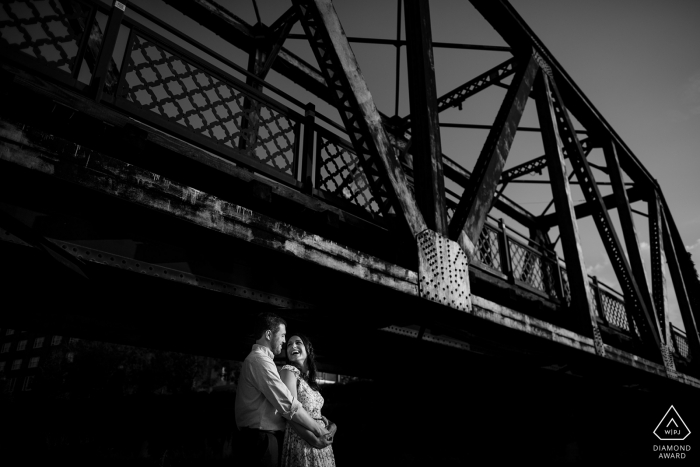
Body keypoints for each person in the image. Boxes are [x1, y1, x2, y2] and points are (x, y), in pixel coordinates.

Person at [235, 313, 332, 467]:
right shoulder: (259, 360)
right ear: (268, 334)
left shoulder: (263, 360)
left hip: (263, 439)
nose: (285, 341)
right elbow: (288, 405)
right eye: (283, 336)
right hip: (260, 440)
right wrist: (319, 431)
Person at [280, 333, 337, 467]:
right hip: (304, 440)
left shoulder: (308, 379)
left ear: (308, 349)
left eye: (298, 342)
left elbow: (314, 413)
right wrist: (315, 441)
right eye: (289, 344)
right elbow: (289, 412)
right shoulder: (288, 371)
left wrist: (332, 426)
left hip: (322, 440)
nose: (293, 345)